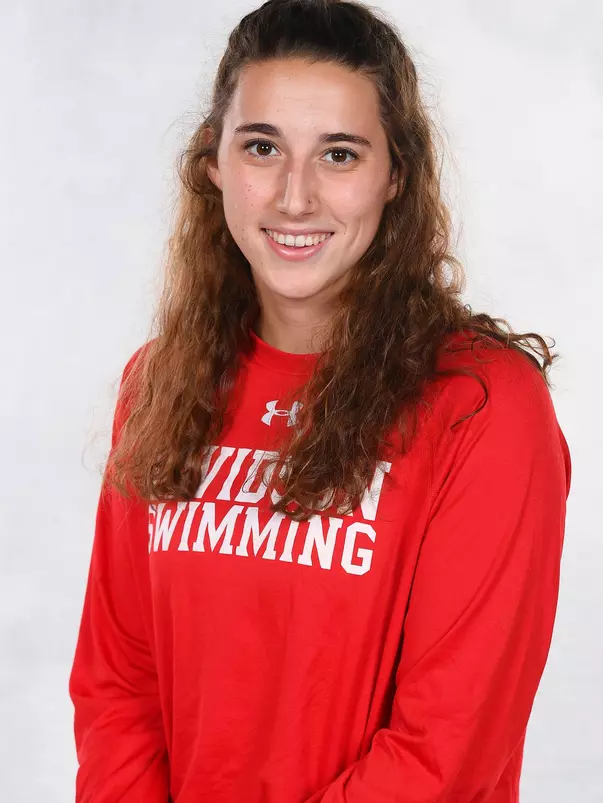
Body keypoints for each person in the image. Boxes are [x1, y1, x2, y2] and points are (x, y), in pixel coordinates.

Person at [68, 0, 572, 801]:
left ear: (395, 174)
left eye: (339, 155)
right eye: (261, 146)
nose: (294, 197)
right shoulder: (159, 383)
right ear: (213, 163)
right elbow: (117, 686)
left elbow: (446, 748)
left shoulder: (482, 405)